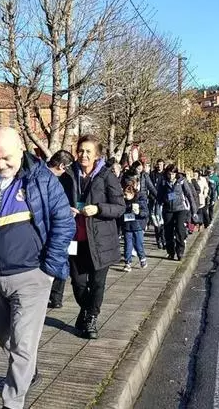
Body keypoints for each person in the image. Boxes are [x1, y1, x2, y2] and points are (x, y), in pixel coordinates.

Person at [0, 127, 74, 409]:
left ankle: (12, 402)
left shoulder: (42, 180)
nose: (1, 164)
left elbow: (64, 223)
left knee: (23, 343)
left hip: (31, 276)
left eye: (6, 158)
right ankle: (28, 370)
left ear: (21, 149)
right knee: (6, 337)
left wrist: (49, 267)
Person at [66, 134, 126, 339]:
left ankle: (91, 319)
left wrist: (98, 209)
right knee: (78, 282)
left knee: (98, 282)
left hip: (100, 241)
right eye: (81, 150)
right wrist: (66, 210)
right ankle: (85, 309)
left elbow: (120, 207)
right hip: (75, 239)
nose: (83, 155)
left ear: (97, 155)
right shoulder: (69, 175)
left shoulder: (107, 176)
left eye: (88, 151)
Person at [47, 149, 77, 309]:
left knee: (62, 257)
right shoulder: (42, 177)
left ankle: (56, 296)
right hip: (48, 225)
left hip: (62, 223)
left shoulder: (66, 178)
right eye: (66, 167)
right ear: (60, 165)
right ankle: (48, 293)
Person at [156, 164, 196, 261]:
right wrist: (157, 211)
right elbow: (159, 197)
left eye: (173, 174)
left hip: (180, 209)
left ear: (176, 174)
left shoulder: (181, 181)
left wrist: (194, 210)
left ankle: (180, 251)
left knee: (180, 230)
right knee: (168, 232)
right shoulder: (163, 182)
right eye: (169, 174)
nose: (171, 176)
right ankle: (171, 252)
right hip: (168, 210)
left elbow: (189, 195)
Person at [121, 174, 149, 271]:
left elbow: (145, 212)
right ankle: (127, 262)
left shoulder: (140, 197)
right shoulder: (122, 200)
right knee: (127, 244)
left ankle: (142, 258)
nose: (125, 196)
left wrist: (139, 212)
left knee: (138, 243)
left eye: (127, 194)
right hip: (127, 225)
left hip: (137, 225)